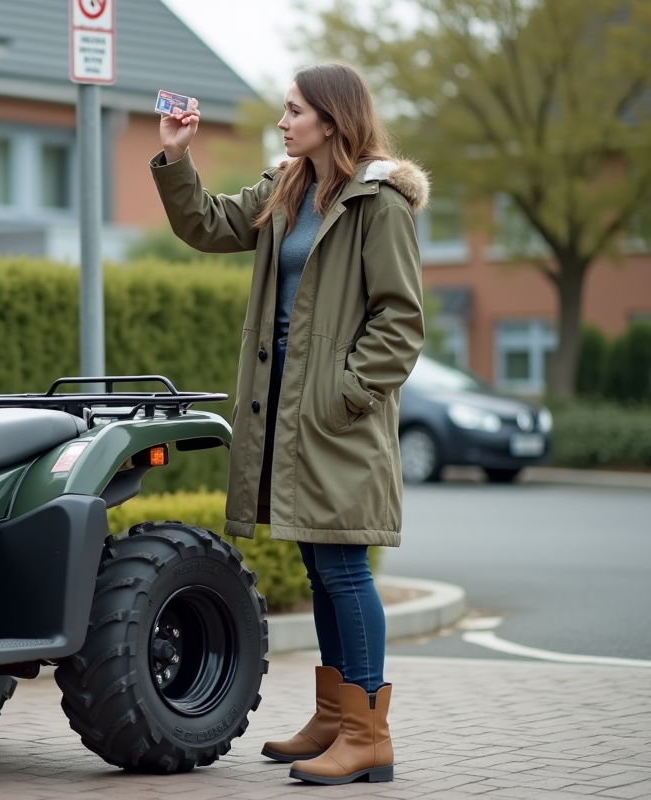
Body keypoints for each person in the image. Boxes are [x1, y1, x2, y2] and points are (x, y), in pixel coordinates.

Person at [149, 62, 427, 785]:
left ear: (331, 120)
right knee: (316, 560)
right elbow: (207, 225)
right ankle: (335, 719)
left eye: (294, 110)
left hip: (336, 418)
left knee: (341, 565)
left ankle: (368, 733)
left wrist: (343, 394)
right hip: (285, 412)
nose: (283, 121)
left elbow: (400, 323)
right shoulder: (288, 187)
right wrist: (176, 156)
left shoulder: (379, 204)